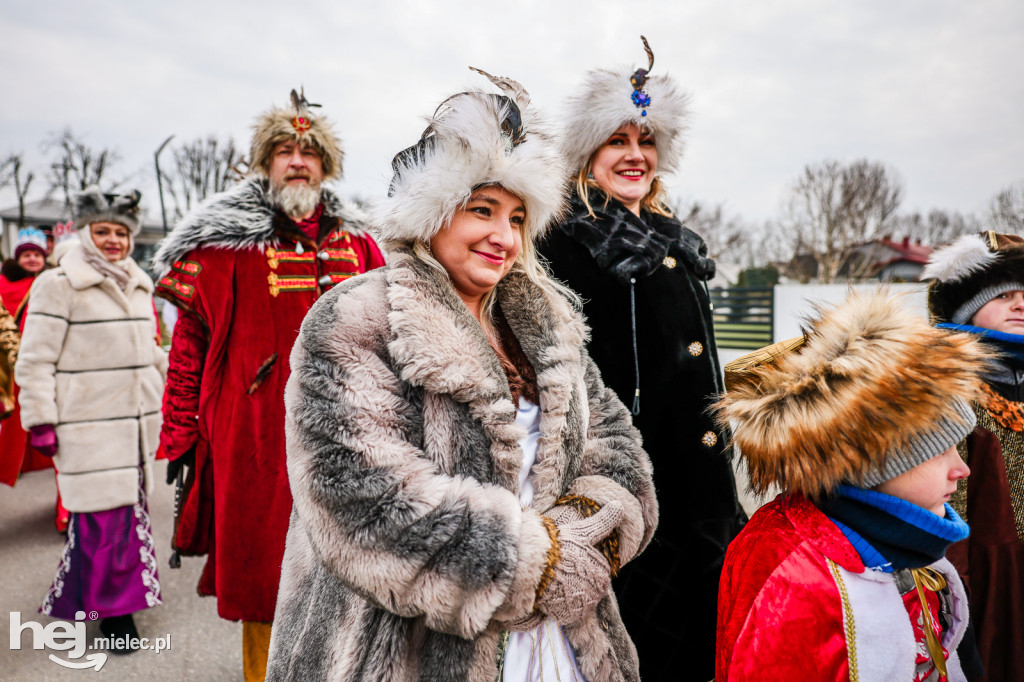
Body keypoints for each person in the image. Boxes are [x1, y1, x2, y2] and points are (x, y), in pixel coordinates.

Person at [266, 70, 657, 682]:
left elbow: (619, 454)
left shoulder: (546, 321)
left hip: (563, 640)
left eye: (518, 218)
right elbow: (364, 500)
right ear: (434, 210)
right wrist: (541, 566)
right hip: (401, 651)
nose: (504, 237)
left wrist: (582, 543)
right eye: (483, 210)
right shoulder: (359, 316)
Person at [153, 88, 386, 680]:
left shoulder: (360, 244)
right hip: (256, 442)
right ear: (266, 163)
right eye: (285, 151)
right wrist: (179, 435)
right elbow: (188, 350)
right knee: (267, 579)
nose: (298, 161)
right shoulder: (222, 250)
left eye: (310, 152)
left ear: (327, 166)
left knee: (352, 575)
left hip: (351, 437)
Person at [538, 37, 744, 680]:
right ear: (588, 153)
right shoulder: (562, 244)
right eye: (617, 141)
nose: (635, 155)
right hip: (634, 501)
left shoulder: (675, 242)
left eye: (646, 141)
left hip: (705, 498)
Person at [714, 290, 989, 681]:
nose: (962, 469)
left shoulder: (912, 538)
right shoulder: (793, 573)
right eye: (939, 450)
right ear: (873, 462)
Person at [15, 187, 166, 650]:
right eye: (103, 231)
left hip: (134, 427)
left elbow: (149, 352)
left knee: (122, 519)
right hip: (87, 426)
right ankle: (115, 617)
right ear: (85, 233)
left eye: (121, 232)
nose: (114, 240)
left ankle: (89, 602)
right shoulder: (58, 284)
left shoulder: (138, 281)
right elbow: (34, 359)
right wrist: (40, 418)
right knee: (104, 524)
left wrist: (179, 386)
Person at [922, 231, 1024, 681]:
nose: (1020, 306)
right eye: (1003, 296)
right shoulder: (945, 387)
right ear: (966, 308)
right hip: (976, 574)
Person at [0, 226, 67, 531]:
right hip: (12, 371)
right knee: (15, 428)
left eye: (37, 254)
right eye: (26, 254)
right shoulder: (4, 286)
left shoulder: (56, 282)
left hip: (52, 367)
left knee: (62, 433)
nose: (32, 259)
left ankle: (67, 507)